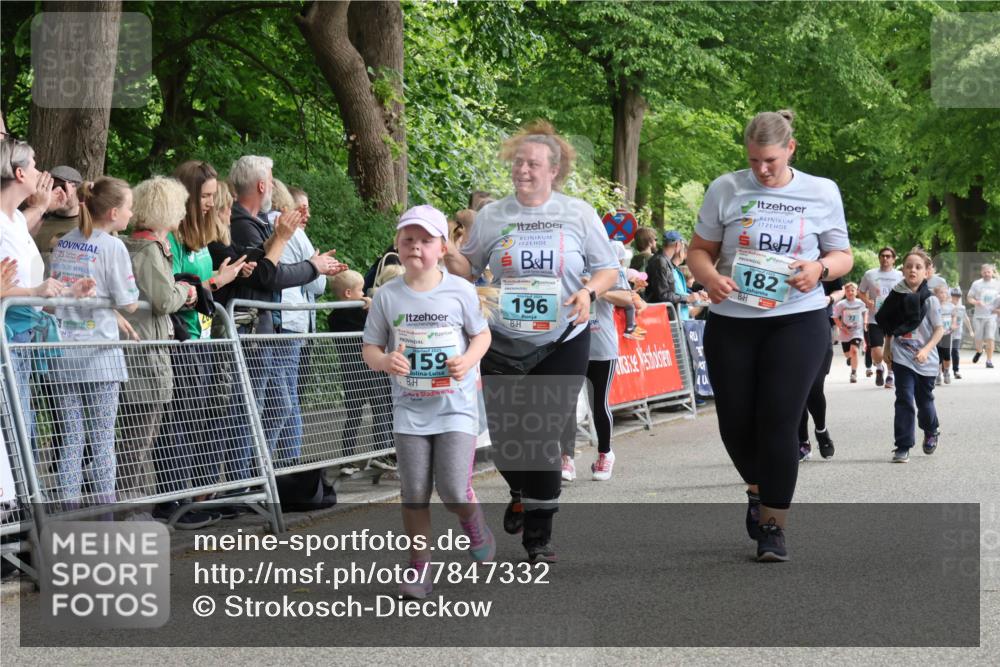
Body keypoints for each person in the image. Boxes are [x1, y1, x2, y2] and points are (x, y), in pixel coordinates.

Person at [443, 120, 619, 562]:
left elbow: (607, 269)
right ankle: (519, 490)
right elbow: (470, 268)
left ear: (554, 170)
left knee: (542, 433)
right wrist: (447, 255)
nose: (522, 170)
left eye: (532, 164)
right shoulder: (493, 215)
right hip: (503, 337)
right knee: (506, 438)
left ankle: (539, 536)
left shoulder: (578, 213)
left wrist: (590, 291)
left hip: (563, 336)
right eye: (518, 162)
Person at [687, 110, 853, 562]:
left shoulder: (821, 191)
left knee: (779, 419)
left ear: (791, 149)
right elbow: (699, 252)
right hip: (733, 320)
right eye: (755, 160)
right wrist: (709, 279)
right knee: (736, 423)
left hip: (796, 319)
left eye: (772, 162)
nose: (762, 170)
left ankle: (774, 529)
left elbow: (842, 255)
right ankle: (758, 491)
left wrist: (820, 269)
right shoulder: (725, 188)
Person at [362, 205, 494, 599]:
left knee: (453, 489)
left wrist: (467, 361)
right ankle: (419, 567)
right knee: (414, 491)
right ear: (398, 246)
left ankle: (473, 521)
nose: (415, 246)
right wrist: (385, 360)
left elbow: (481, 336)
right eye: (408, 239)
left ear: (441, 247)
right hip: (410, 408)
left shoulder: (460, 289)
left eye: (425, 240)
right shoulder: (387, 295)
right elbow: (369, 347)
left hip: (455, 406)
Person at [153, 161, 247, 526]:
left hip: (205, 339)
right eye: (205, 196)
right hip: (182, 341)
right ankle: (171, 501)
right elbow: (180, 292)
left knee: (199, 421)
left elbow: (200, 289)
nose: (210, 202)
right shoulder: (171, 241)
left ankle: (194, 496)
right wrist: (214, 284)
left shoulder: (202, 241)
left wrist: (221, 280)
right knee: (178, 423)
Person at [49, 177, 139, 507]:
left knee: (72, 439)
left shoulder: (63, 242)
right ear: (114, 212)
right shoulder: (113, 247)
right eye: (129, 207)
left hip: (63, 350)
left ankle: (66, 512)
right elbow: (128, 300)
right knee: (102, 440)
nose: (132, 214)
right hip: (100, 355)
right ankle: (105, 516)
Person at [2, 138, 94, 459]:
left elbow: (24, 276)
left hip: (23, 333)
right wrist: (33, 292)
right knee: (15, 426)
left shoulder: (14, 219)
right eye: (35, 166)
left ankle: (23, 506)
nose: (42, 173)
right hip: (8, 335)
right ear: (19, 174)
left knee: (23, 425)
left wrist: (69, 291)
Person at [118, 176, 194, 501]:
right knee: (136, 443)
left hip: (137, 351)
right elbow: (163, 299)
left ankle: (126, 505)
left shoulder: (133, 244)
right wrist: (186, 290)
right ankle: (127, 507)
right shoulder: (148, 250)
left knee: (134, 442)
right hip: (145, 357)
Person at [327, 269, 393, 468]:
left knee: (353, 414)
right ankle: (381, 453)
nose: (364, 295)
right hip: (372, 369)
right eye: (360, 290)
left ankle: (347, 459)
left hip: (349, 372)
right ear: (348, 293)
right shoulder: (363, 312)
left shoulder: (333, 317)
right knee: (381, 408)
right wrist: (372, 309)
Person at [886, 248, 944, 463]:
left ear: (926, 272)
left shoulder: (930, 300)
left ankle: (931, 429)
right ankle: (903, 445)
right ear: (903, 270)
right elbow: (890, 326)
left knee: (925, 402)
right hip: (902, 357)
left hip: (925, 360)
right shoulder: (896, 297)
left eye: (918, 267)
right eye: (909, 266)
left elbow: (939, 330)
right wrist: (886, 348)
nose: (913, 270)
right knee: (904, 399)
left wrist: (926, 350)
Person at [798, 278, 843, 461]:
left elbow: (839, 290)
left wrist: (829, 299)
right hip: (788, 330)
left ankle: (821, 430)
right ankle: (802, 442)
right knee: (797, 390)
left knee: (814, 387)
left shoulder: (824, 259)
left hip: (817, 328)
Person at [858, 246, 902, 387]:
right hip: (875, 318)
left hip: (893, 319)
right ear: (879, 258)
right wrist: (868, 302)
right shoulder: (870, 274)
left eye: (888, 256)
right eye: (883, 255)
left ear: (894, 259)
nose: (885, 258)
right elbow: (861, 291)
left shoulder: (900, 275)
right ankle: (879, 368)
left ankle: (890, 375)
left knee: (891, 348)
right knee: (877, 350)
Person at [32, 165, 83, 274]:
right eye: (53, 187)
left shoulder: (91, 223)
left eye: (64, 187)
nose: (59, 192)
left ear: (78, 191)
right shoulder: (37, 221)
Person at [645, 230, 704, 319]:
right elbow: (663, 295)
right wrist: (687, 298)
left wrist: (691, 295)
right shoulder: (660, 262)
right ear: (678, 245)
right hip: (661, 316)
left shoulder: (663, 261)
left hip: (663, 315)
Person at [833, 282, 867, 383]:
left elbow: (865, 312)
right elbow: (835, 317)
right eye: (848, 291)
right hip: (845, 332)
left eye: (852, 290)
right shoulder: (841, 304)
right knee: (848, 354)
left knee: (855, 351)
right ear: (845, 293)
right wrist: (842, 327)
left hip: (857, 331)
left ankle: (853, 373)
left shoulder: (861, 303)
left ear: (856, 292)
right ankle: (850, 358)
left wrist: (865, 322)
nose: (850, 292)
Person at [968, 263, 997, 368]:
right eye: (984, 272)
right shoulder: (976, 284)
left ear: (992, 272)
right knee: (978, 338)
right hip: (979, 316)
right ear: (981, 273)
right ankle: (980, 351)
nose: (987, 274)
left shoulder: (997, 284)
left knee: (990, 337)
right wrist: (976, 302)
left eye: (988, 272)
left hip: (991, 316)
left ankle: (989, 361)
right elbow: (969, 297)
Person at [949, 287, 972, 379]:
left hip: (957, 334)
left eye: (958, 297)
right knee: (945, 353)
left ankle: (956, 370)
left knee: (955, 351)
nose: (956, 298)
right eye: (954, 296)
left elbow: (966, 319)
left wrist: (971, 331)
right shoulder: (946, 306)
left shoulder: (962, 308)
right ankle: (942, 370)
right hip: (946, 334)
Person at [935, 284, 955, 385]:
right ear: (936, 294)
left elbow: (954, 316)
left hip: (947, 333)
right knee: (938, 354)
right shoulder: (934, 305)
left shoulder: (951, 306)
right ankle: (937, 374)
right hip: (936, 334)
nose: (943, 295)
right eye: (940, 293)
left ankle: (946, 372)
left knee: (947, 354)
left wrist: (954, 324)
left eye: (945, 293)